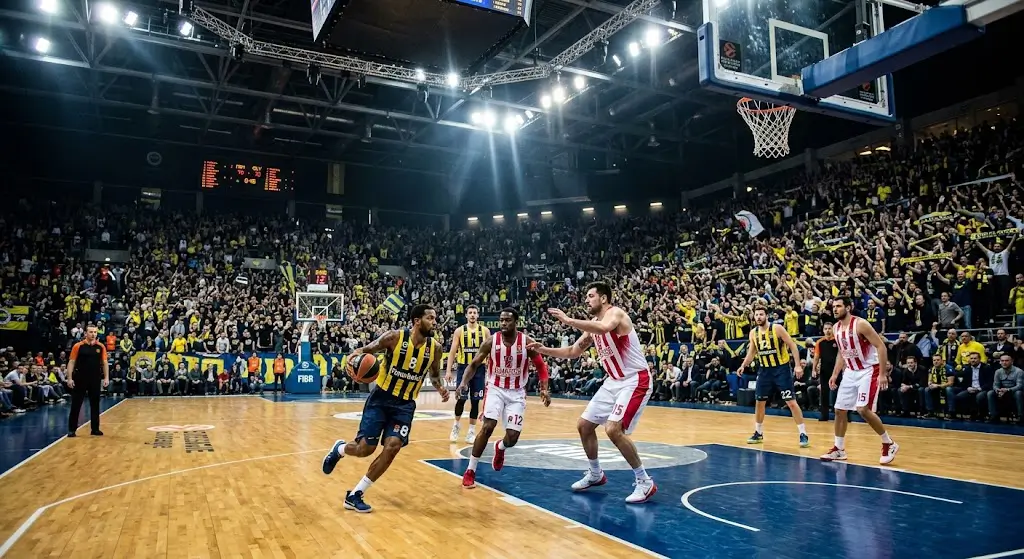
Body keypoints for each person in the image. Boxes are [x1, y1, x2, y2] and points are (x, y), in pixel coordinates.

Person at [528, 282, 657, 504]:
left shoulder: (615, 314)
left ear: (603, 298)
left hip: (635, 379)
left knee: (613, 429)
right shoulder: (592, 327)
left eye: (590, 296)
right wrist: (543, 350)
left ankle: (644, 481)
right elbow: (572, 351)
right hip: (613, 381)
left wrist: (569, 321)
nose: (586, 300)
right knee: (584, 426)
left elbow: (605, 328)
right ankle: (596, 474)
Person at [320, 304, 449, 513]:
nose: (434, 322)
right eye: (430, 318)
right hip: (381, 399)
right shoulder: (394, 338)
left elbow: (434, 374)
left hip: (405, 405)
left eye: (435, 318)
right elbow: (365, 351)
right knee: (365, 449)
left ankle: (355, 494)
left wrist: (440, 388)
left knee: (393, 446)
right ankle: (340, 449)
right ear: (417, 321)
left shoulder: (435, 348)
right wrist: (353, 362)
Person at [458, 308, 550, 488]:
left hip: (517, 392)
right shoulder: (491, 341)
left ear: (516, 322)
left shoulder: (526, 342)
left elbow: (541, 366)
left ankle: (500, 447)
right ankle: (470, 470)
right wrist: (463, 383)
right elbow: (474, 364)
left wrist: (544, 389)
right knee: (488, 426)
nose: (503, 323)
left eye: (507, 320)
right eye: (501, 320)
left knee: (512, 438)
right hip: (495, 389)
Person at [821, 298, 899, 464]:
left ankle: (888, 443)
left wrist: (883, 374)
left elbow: (881, 346)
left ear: (848, 307)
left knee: (863, 409)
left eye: (838, 306)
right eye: (833, 307)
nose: (835, 309)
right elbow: (842, 352)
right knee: (839, 410)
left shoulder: (861, 324)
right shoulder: (835, 328)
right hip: (850, 371)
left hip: (869, 369)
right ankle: (839, 449)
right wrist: (835, 374)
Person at [737, 306, 809, 447]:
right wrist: (743, 365)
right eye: (756, 315)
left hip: (781, 369)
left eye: (761, 314)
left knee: (791, 402)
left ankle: (803, 433)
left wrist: (797, 365)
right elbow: (751, 352)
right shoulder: (753, 333)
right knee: (759, 402)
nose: (759, 317)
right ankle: (758, 432)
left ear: (766, 316)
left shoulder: (777, 329)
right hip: (764, 371)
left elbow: (792, 346)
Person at [445, 304, 491, 443]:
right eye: (470, 312)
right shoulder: (459, 331)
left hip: (479, 369)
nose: (472, 315)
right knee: (461, 399)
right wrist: (448, 370)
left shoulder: (485, 331)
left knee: (475, 401)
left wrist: (491, 370)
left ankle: (471, 431)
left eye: (474, 313)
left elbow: (491, 352)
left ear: (478, 315)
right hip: (463, 368)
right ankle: (456, 426)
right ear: (466, 315)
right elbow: (453, 351)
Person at [67, 324, 110, 437]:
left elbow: (105, 363)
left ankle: (95, 429)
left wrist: (106, 377)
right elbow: (71, 362)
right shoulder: (78, 346)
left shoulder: (101, 346)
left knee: (95, 405)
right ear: (86, 333)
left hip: (95, 379)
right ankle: (72, 429)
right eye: (91, 332)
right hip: (80, 378)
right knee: (76, 404)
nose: (93, 334)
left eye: (95, 332)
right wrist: (69, 378)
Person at [810, 322, 839, 421]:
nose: (827, 331)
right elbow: (816, 357)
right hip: (824, 370)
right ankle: (824, 415)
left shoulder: (837, 340)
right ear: (823, 330)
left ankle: (842, 415)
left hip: (837, 371)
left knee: (839, 392)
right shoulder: (820, 342)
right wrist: (814, 369)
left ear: (833, 330)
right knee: (824, 393)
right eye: (825, 329)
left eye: (829, 328)